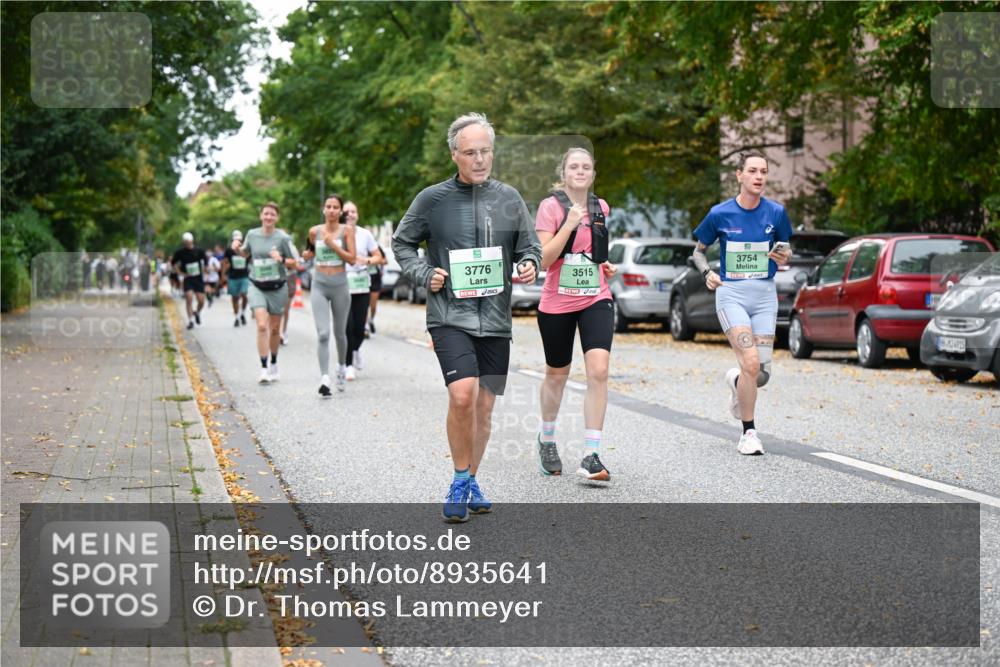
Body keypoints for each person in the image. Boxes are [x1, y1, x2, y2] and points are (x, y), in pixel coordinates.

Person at [392, 112, 541, 523]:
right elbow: (402, 244)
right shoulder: (432, 199)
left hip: (495, 320)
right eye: (470, 152)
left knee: (485, 408)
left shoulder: (509, 199)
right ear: (455, 155)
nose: (480, 159)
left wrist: (529, 263)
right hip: (449, 316)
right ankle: (459, 479)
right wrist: (425, 273)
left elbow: (530, 247)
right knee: (463, 395)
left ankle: (472, 478)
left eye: (486, 151)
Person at [691, 152, 793, 455]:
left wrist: (783, 256)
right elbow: (698, 252)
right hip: (731, 296)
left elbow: (786, 251)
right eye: (752, 171)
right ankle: (749, 433)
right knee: (750, 362)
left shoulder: (776, 213)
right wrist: (707, 272)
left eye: (763, 171)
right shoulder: (720, 213)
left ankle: (736, 381)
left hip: (764, 297)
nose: (759, 176)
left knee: (759, 374)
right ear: (739, 175)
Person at [534, 148, 617, 481]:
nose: (580, 171)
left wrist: (603, 264)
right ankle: (547, 438)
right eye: (574, 166)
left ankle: (591, 454)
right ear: (564, 173)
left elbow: (592, 252)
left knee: (598, 370)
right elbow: (544, 260)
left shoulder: (601, 207)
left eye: (586, 167)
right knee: (558, 374)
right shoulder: (550, 207)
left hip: (596, 296)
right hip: (556, 302)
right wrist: (568, 224)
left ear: (593, 174)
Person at [232, 202, 300, 384]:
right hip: (256, 285)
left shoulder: (283, 238)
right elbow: (245, 254)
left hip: (277, 288)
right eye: (266, 214)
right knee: (262, 325)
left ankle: (274, 363)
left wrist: (281, 259)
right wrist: (236, 248)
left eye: (272, 214)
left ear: (277, 217)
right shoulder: (252, 235)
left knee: (275, 329)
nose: (268, 217)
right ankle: (263, 368)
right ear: (261, 216)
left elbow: (297, 262)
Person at [302, 195, 356, 396]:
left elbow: (351, 259)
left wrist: (333, 245)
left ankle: (341, 367)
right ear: (323, 209)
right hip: (319, 285)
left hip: (340, 285)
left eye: (335, 207)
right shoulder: (314, 231)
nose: (331, 210)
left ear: (340, 211)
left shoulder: (347, 231)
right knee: (323, 333)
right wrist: (307, 255)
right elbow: (308, 252)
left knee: (340, 333)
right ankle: (324, 377)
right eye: (328, 206)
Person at [343, 201, 384, 380]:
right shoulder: (336, 234)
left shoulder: (365, 234)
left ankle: (356, 348)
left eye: (353, 211)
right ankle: (348, 364)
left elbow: (378, 257)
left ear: (357, 214)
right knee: (347, 326)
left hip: (361, 284)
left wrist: (366, 260)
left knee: (359, 327)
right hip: (342, 286)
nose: (350, 214)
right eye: (347, 211)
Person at [171, 232, 208, 329]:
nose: (187, 243)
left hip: (198, 278)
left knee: (201, 300)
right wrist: (180, 273)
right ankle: (190, 321)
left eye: (189, 241)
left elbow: (206, 261)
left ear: (192, 241)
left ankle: (197, 312)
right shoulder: (180, 252)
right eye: (185, 242)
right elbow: (173, 263)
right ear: (183, 242)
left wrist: (205, 270)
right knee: (189, 298)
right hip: (188, 278)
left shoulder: (199, 251)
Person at [223, 230, 250, 326]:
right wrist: (223, 276)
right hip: (233, 276)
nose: (237, 241)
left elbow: (251, 261)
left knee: (244, 295)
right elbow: (225, 262)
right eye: (235, 240)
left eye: (239, 240)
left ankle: (242, 312)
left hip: (244, 276)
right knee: (235, 297)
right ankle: (237, 317)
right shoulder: (229, 250)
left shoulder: (245, 249)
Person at [368, 241, 387, 334]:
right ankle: (365, 327)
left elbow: (385, 261)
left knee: (373, 306)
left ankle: (371, 320)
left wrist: (373, 261)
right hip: (362, 278)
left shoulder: (375, 247)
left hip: (374, 278)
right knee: (364, 304)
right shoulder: (358, 247)